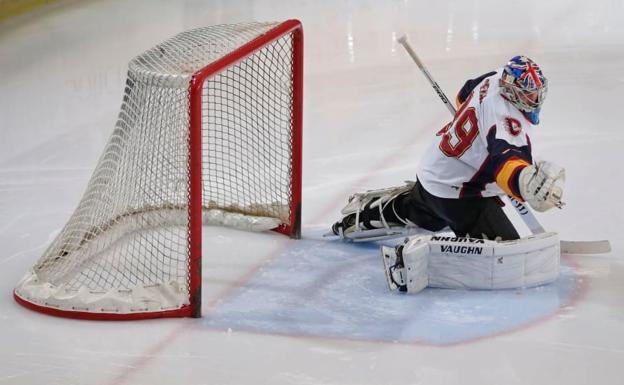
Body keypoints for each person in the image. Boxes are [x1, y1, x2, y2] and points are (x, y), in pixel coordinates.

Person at [331, 55, 565, 241]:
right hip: (462, 194)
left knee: (425, 212)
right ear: (512, 90)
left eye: (535, 91)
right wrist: (524, 183)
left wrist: (477, 139)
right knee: (505, 255)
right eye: (527, 93)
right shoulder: (507, 123)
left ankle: (369, 215)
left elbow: (462, 96)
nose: (534, 98)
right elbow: (506, 166)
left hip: (432, 170)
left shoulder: (492, 79)